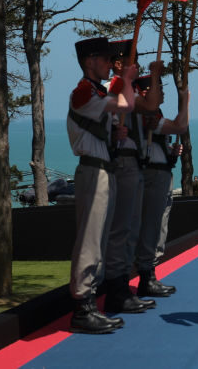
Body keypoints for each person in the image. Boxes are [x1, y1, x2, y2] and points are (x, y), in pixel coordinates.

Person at [66, 37, 137, 334]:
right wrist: (128, 79)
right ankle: (82, 307)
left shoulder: (92, 91)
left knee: (100, 240)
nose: (110, 63)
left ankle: (91, 303)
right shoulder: (83, 92)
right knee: (90, 241)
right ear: (90, 60)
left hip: (102, 170)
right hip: (94, 173)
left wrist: (114, 135)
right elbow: (127, 103)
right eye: (106, 59)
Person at [101, 40, 159, 315]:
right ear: (117, 63)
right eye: (129, 60)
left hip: (133, 161)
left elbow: (152, 105)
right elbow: (128, 107)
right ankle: (116, 288)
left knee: (131, 229)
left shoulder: (128, 88)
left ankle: (123, 286)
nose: (134, 65)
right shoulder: (114, 86)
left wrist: (155, 76)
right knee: (121, 230)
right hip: (121, 161)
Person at [129, 73, 188, 299]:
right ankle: (146, 275)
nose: (162, 92)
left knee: (159, 225)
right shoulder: (145, 114)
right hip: (151, 174)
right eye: (158, 89)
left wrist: (171, 154)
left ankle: (149, 273)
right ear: (145, 93)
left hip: (162, 172)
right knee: (151, 226)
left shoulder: (156, 113)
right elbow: (179, 126)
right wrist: (185, 101)